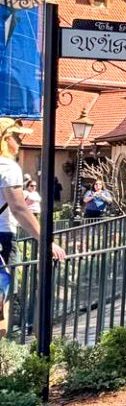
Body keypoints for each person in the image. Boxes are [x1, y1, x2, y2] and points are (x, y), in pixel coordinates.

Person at [0, 119, 66, 333]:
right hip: (2, 237)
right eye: (17, 136)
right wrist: (45, 240)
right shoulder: (7, 167)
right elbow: (19, 208)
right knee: (2, 298)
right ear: (5, 139)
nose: (20, 140)